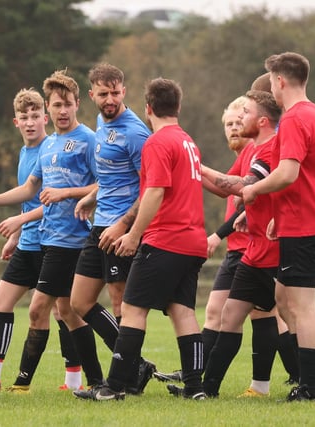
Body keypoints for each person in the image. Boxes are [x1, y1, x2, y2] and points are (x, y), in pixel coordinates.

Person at [74, 77, 207, 401]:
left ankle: (114, 387)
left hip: (166, 239)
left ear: (148, 108)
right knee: (183, 311)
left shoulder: (156, 143)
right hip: (193, 240)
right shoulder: (188, 141)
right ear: (177, 106)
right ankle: (195, 388)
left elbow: (154, 192)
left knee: (132, 309)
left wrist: (133, 234)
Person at [155, 95, 299, 387]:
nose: (235, 127)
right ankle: (201, 381)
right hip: (246, 250)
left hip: (260, 247)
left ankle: (309, 378)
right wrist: (191, 168)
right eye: (230, 123)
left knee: (279, 315)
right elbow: (226, 190)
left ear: (259, 120)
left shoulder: (261, 150)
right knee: (226, 313)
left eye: (241, 118)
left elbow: (242, 189)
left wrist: (218, 233)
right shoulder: (250, 152)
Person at [0, 69, 97, 393]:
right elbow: (30, 193)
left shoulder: (69, 144)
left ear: (45, 115)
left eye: (35, 114)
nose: (30, 121)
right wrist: (2, 215)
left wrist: (20, 222)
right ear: (16, 122)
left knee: (63, 310)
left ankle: (76, 379)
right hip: (31, 240)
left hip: (56, 240)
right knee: (4, 303)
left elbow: (57, 199)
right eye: (23, 117)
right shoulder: (32, 153)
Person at [241, 52, 315, 401]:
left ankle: (309, 389)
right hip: (305, 218)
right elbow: (308, 174)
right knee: (284, 300)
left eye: (272, 80)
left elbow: (288, 173)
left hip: (306, 223)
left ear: (280, 81)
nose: (271, 86)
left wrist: (254, 190)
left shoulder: (293, 118)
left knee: (300, 307)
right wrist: (279, 214)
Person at [70, 62, 156, 393]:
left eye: (116, 93)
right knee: (79, 302)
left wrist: (125, 226)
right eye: (103, 93)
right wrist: (92, 196)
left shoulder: (135, 133)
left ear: (124, 90)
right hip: (99, 226)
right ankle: (137, 366)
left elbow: (150, 188)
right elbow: (111, 176)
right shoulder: (101, 124)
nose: (110, 99)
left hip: (121, 229)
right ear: (92, 94)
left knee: (121, 304)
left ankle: (122, 378)